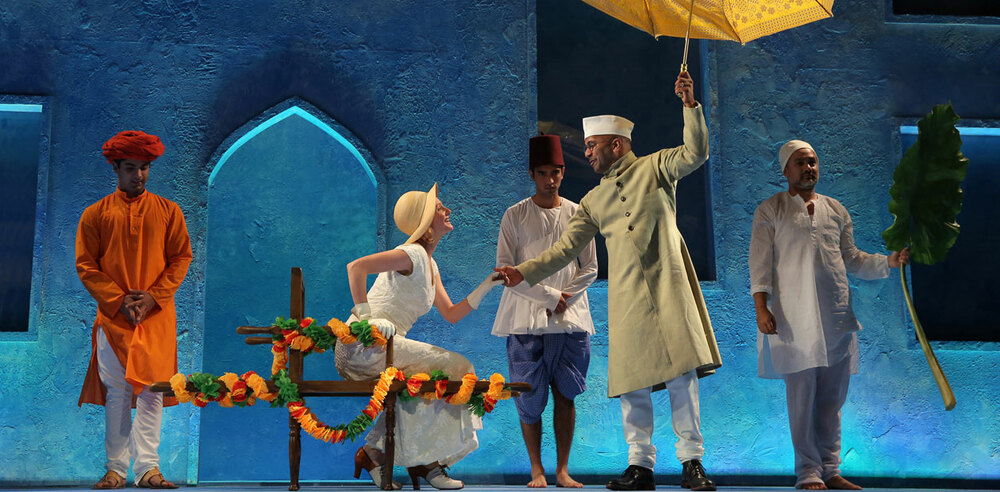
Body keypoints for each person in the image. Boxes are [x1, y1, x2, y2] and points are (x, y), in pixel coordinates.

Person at [495, 72, 721, 492]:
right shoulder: (594, 200)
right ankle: (641, 466)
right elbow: (564, 250)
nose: (588, 154)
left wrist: (690, 104)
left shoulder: (655, 168)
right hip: (628, 296)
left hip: (669, 286)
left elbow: (696, 152)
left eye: (592, 146)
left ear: (616, 145)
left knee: (681, 375)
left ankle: (692, 461)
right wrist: (522, 271)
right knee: (632, 380)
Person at [749, 140, 910, 491]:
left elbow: (852, 259)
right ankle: (808, 473)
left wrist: (889, 261)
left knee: (832, 401)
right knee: (802, 399)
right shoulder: (771, 210)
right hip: (792, 321)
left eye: (813, 162)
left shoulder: (836, 210)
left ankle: (831, 470)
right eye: (801, 163)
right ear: (786, 171)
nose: (809, 168)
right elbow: (759, 265)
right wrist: (762, 307)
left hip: (835, 318)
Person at [334, 183, 502, 490]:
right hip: (364, 345)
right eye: (440, 208)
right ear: (425, 224)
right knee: (457, 367)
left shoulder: (430, 265)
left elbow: (451, 314)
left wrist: (487, 285)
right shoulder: (411, 253)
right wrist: (368, 319)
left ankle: (377, 454)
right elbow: (356, 267)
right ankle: (424, 463)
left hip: (391, 349)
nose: (447, 210)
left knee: (431, 378)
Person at [76, 130, 192, 489]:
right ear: (115, 168)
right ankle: (115, 468)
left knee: (152, 391)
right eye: (130, 168)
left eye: (144, 168)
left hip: (155, 317)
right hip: (114, 319)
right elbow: (87, 265)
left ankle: (148, 470)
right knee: (118, 392)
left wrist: (153, 298)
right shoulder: (95, 215)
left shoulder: (169, 212)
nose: (138, 175)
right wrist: (120, 300)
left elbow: (181, 258)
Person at [492, 134, 598, 488]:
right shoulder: (515, 215)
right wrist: (549, 296)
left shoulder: (578, 214)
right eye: (543, 173)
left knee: (566, 394)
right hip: (526, 318)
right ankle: (536, 469)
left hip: (570, 319)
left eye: (556, 172)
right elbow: (506, 271)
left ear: (563, 173)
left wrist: (567, 295)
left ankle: (562, 470)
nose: (550, 179)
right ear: (532, 174)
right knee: (528, 397)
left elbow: (591, 267)